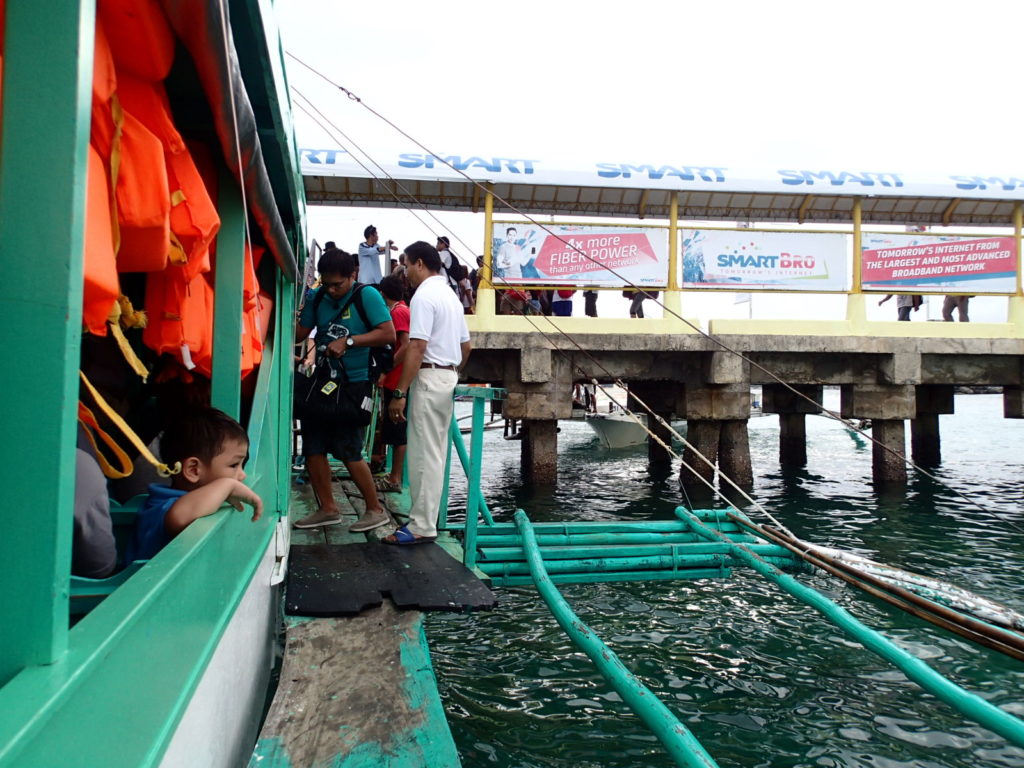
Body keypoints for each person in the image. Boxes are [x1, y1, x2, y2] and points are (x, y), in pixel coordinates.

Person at [294, 249, 397, 531]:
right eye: (326, 283)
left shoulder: (367, 296)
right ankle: (328, 508)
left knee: (349, 447)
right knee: (313, 444)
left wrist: (350, 342)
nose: (332, 290)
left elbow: (388, 333)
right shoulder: (319, 297)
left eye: (337, 284)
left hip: (355, 382)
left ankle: (375, 509)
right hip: (325, 380)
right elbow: (300, 334)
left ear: (353, 275)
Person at [384, 241, 472, 545]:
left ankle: (421, 525)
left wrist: (400, 391)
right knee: (434, 454)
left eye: (407, 264)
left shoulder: (423, 296)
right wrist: (452, 371)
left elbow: (417, 346)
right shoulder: (450, 295)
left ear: (420, 263)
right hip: (446, 376)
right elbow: (466, 346)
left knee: (423, 454)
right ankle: (425, 521)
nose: (405, 271)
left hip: (429, 376)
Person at [125, 407, 263, 562]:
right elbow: (178, 517)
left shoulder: (192, 501)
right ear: (193, 470)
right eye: (234, 465)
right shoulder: (161, 505)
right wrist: (227, 484)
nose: (242, 474)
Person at [375, 274, 410, 493]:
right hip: (395, 378)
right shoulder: (402, 309)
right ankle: (393, 474)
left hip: (396, 379)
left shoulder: (398, 312)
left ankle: (395, 477)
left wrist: (387, 369)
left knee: (397, 428)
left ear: (383, 293)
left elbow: (405, 345)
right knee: (394, 427)